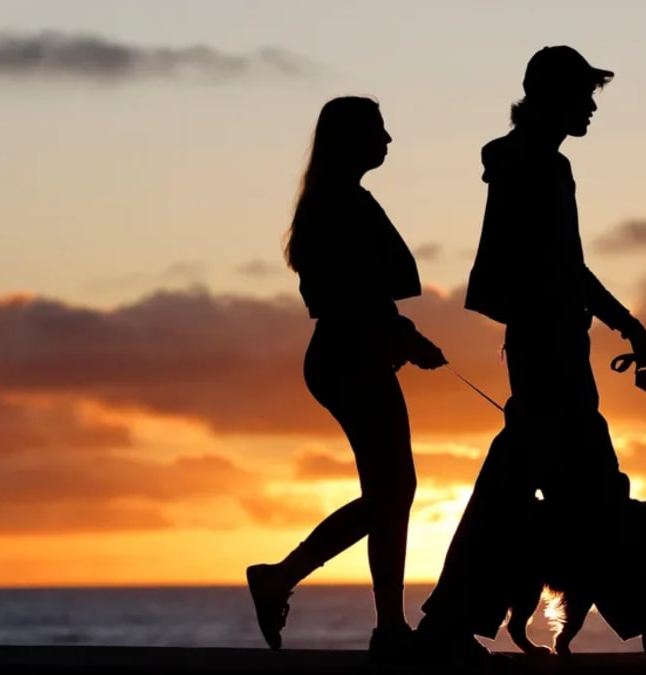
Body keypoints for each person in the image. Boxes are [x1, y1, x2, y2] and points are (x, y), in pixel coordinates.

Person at [412, 46, 646, 664]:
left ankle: (449, 626)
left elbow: (563, 267)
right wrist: (631, 328)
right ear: (552, 96)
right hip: (550, 351)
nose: (590, 107)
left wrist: (625, 327)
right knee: (589, 498)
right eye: (583, 95)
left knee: (548, 499)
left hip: (549, 346)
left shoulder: (527, 161)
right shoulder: (537, 165)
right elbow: (563, 267)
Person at [245, 96, 448, 657]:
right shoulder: (341, 205)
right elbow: (353, 295)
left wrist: (399, 331)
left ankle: (365, 616)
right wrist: (397, 333)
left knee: (391, 492)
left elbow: (368, 292)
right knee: (393, 491)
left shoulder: (337, 202)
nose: (388, 142)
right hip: (348, 354)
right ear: (350, 139)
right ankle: (360, 615)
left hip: (350, 351)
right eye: (378, 132)